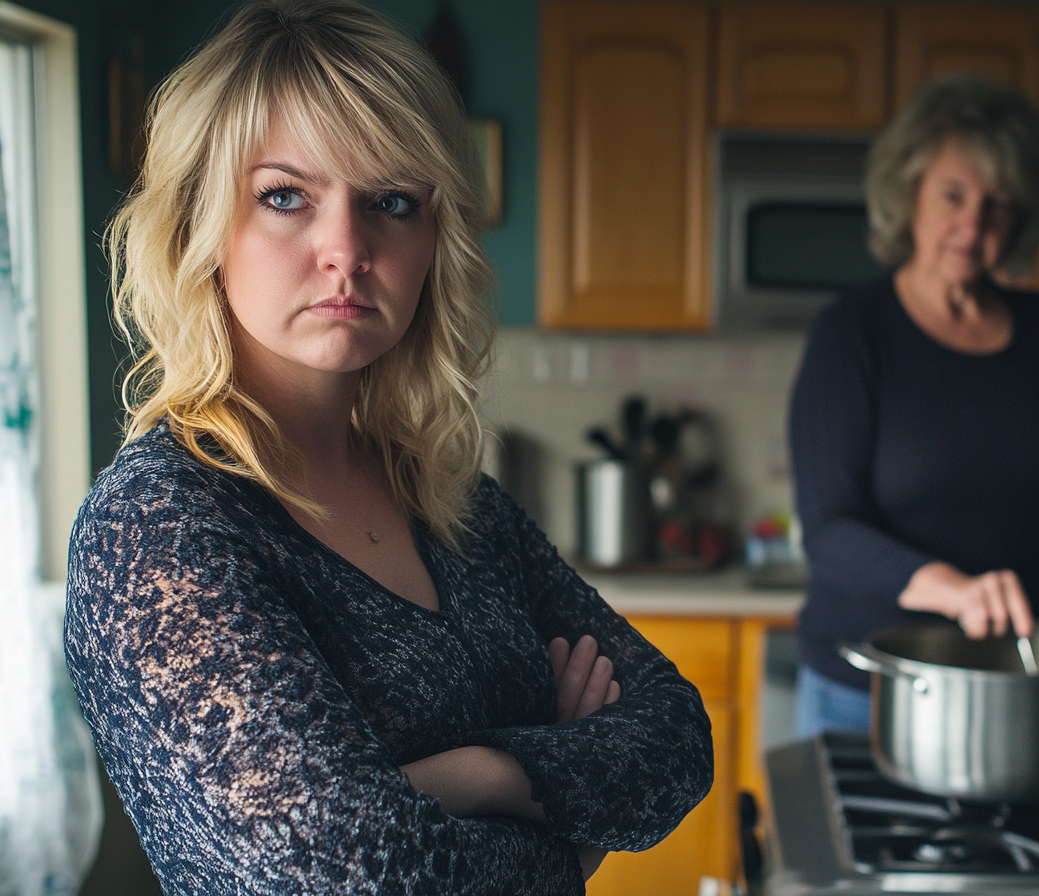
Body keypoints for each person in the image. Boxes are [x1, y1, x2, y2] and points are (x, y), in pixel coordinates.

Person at [62, 2, 713, 892]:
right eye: (285, 196)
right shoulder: (157, 524)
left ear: (432, 241)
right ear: (201, 228)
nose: (347, 250)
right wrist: (569, 820)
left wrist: (485, 774)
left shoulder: (453, 501)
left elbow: (677, 738)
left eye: (392, 203)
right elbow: (336, 870)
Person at [789, 73, 1039, 737]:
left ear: (1023, 215)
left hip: (1019, 682)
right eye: (954, 195)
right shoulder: (852, 332)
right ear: (909, 193)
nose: (974, 224)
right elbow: (830, 532)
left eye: (998, 203)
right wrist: (956, 588)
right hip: (876, 688)